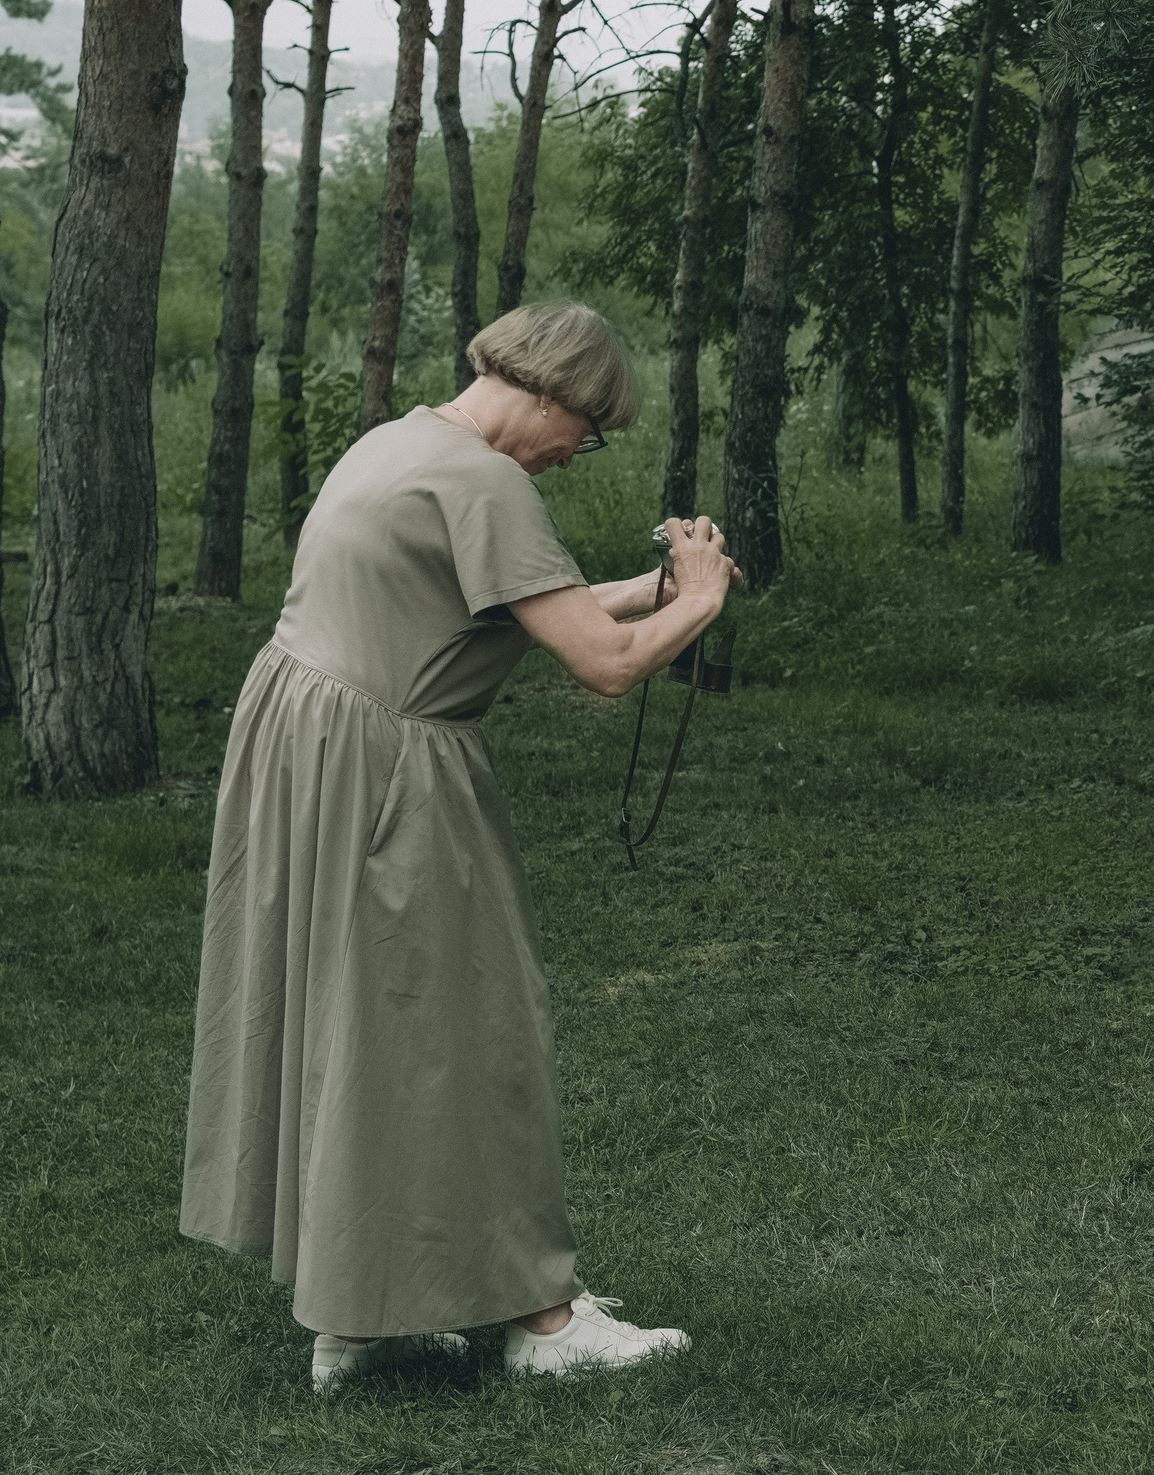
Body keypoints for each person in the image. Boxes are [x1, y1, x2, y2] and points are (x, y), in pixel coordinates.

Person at [179, 303, 738, 1393]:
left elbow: (512, 610)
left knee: (363, 1028)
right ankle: (544, 1318)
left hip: (314, 745)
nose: (583, 450)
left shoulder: (400, 442)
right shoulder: (488, 480)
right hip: (389, 767)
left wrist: (654, 595)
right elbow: (605, 664)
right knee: (476, 1028)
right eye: (590, 426)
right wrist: (703, 597)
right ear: (548, 394)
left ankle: (360, 1312)